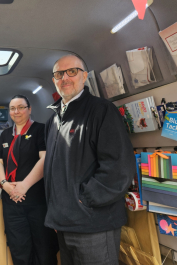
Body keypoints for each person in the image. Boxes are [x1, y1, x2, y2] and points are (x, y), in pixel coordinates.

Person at [44, 54, 136, 265]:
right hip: (64, 223)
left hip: (94, 223)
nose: (65, 78)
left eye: (72, 72)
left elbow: (119, 168)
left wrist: (83, 200)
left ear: (84, 76)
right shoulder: (52, 121)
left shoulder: (102, 111)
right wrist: (58, 210)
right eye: (59, 74)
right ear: (54, 80)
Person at [0, 95, 58, 265]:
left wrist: (24, 186)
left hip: (37, 201)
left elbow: (45, 159)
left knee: (44, 248)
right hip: (12, 202)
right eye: (13, 108)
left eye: (21, 107)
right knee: (18, 248)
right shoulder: (6, 134)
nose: (17, 111)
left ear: (29, 109)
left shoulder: (41, 130)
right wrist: (5, 185)